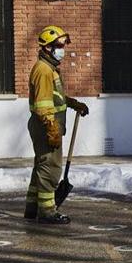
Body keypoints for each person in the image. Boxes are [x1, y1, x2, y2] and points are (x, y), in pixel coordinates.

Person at [25, 25, 89, 224]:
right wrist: (51, 127)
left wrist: (72, 103)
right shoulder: (43, 71)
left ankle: (32, 207)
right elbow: (43, 105)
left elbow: (55, 97)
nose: (63, 49)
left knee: (41, 167)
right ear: (47, 48)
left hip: (48, 125)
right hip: (46, 126)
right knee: (50, 168)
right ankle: (47, 211)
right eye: (59, 45)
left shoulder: (49, 69)